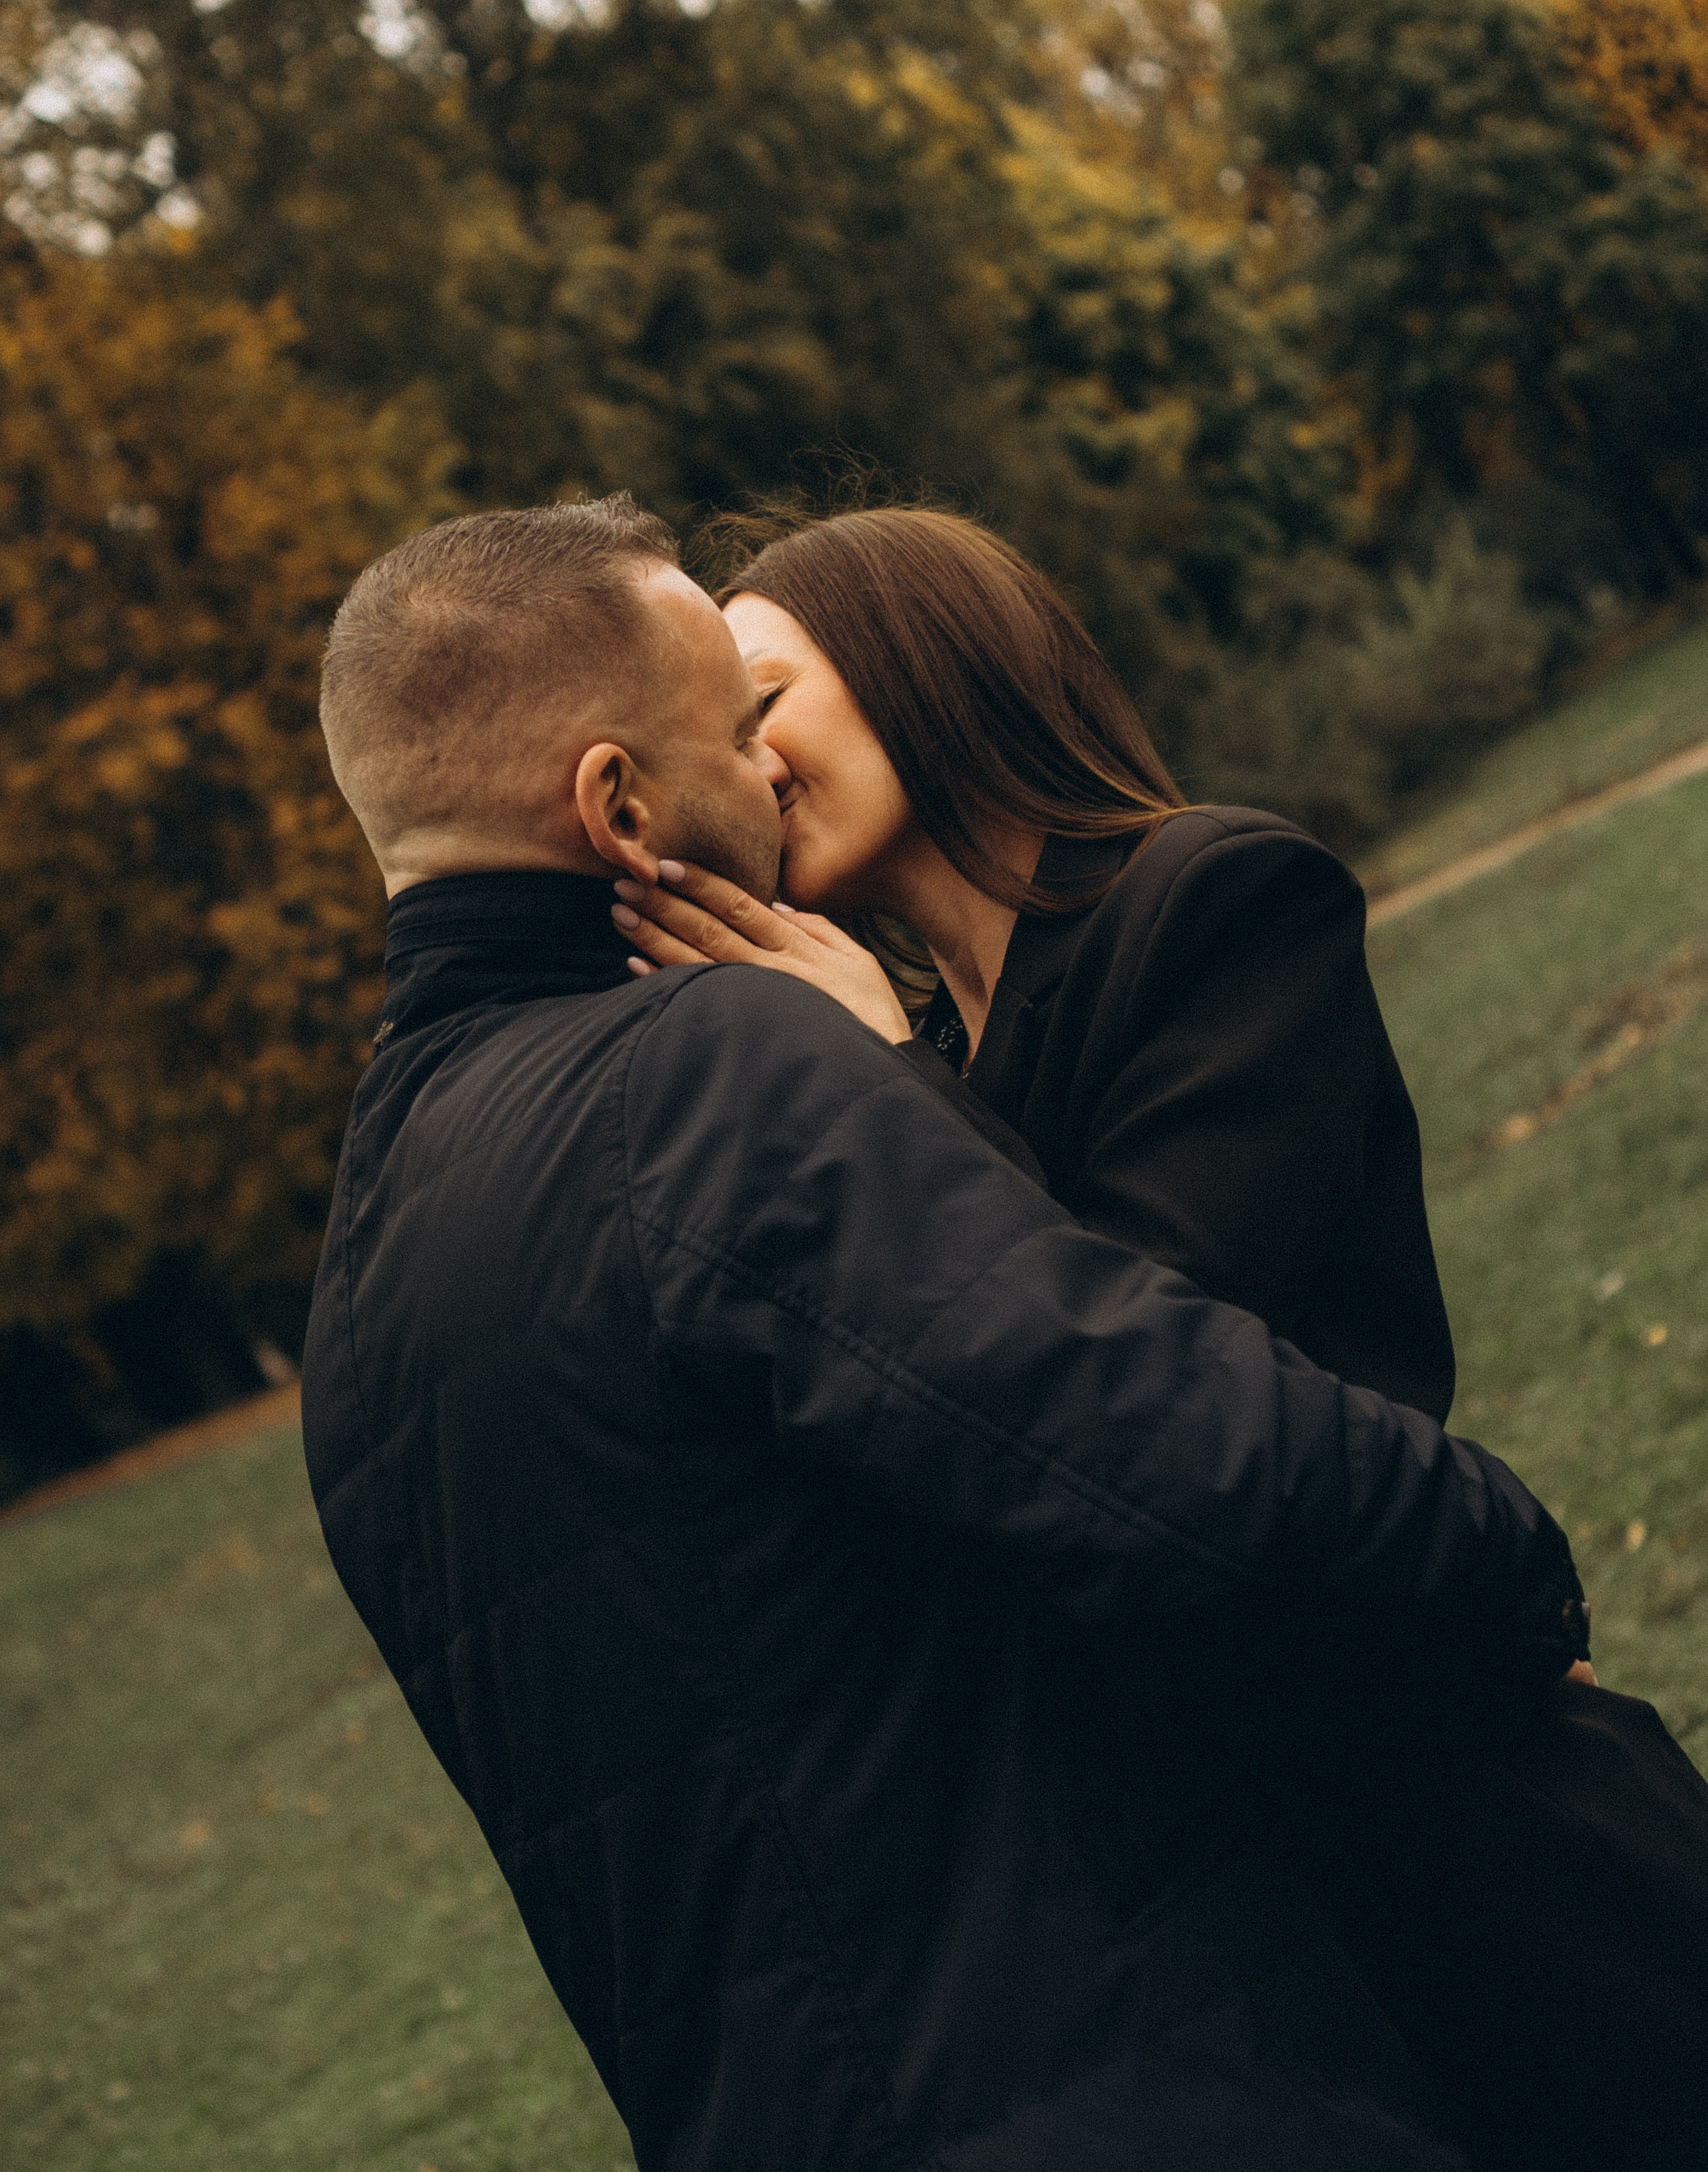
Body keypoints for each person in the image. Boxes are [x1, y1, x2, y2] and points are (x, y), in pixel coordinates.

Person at [302, 495, 1590, 2172]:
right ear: (618, 808)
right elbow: (1172, 1443)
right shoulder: (705, 1074)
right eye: (730, 728)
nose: (757, 772)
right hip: (1115, 2084)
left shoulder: (364, 1271)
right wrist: (1498, 1554)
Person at [609, 501, 1708, 2172]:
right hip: (1242, 1917)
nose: (742, 765)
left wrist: (875, 1076)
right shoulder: (938, 1061)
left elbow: (1150, 1362)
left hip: (1466, 1821)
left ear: (920, 656)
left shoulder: (1210, 902)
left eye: (762, 704)